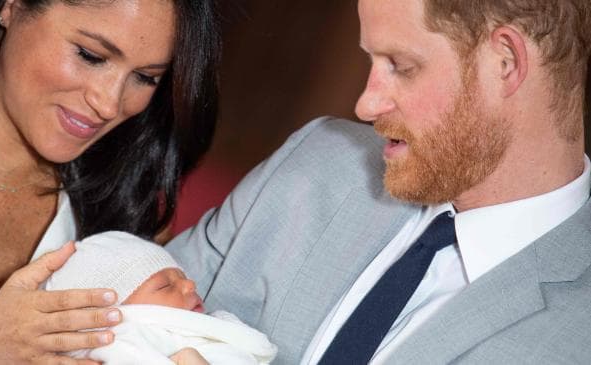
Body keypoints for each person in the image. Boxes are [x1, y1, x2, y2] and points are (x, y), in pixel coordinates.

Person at [166, 0, 591, 364]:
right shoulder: (317, 159)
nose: (366, 105)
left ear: (506, 62)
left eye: (401, 66)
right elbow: (125, 307)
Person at [0, 0, 219, 362]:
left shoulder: (123, 219)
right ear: (9, 6)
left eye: (146, 77)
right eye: (91, 55)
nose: (108, 103)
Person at [45, 231, 278, 364]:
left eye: (183, 276)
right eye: (165, 286)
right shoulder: (124, 338)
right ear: (112, 315)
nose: (189, 284)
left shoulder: (215, 326)